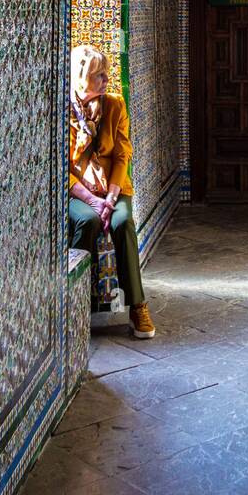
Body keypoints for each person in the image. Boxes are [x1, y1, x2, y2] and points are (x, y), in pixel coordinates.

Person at [68, 44, 155, 339]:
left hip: (114, 188)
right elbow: (58, 166)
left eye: (106, 74)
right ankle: (73, 306)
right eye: (99, 75)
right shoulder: (61, 111)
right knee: (86, 221)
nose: (106, 80)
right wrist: (92, 200)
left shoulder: (115, 105)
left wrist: (110, 197)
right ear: (82, 76)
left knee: (121, 222)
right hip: (78, 190)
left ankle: (137, 305)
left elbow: (122, 155)